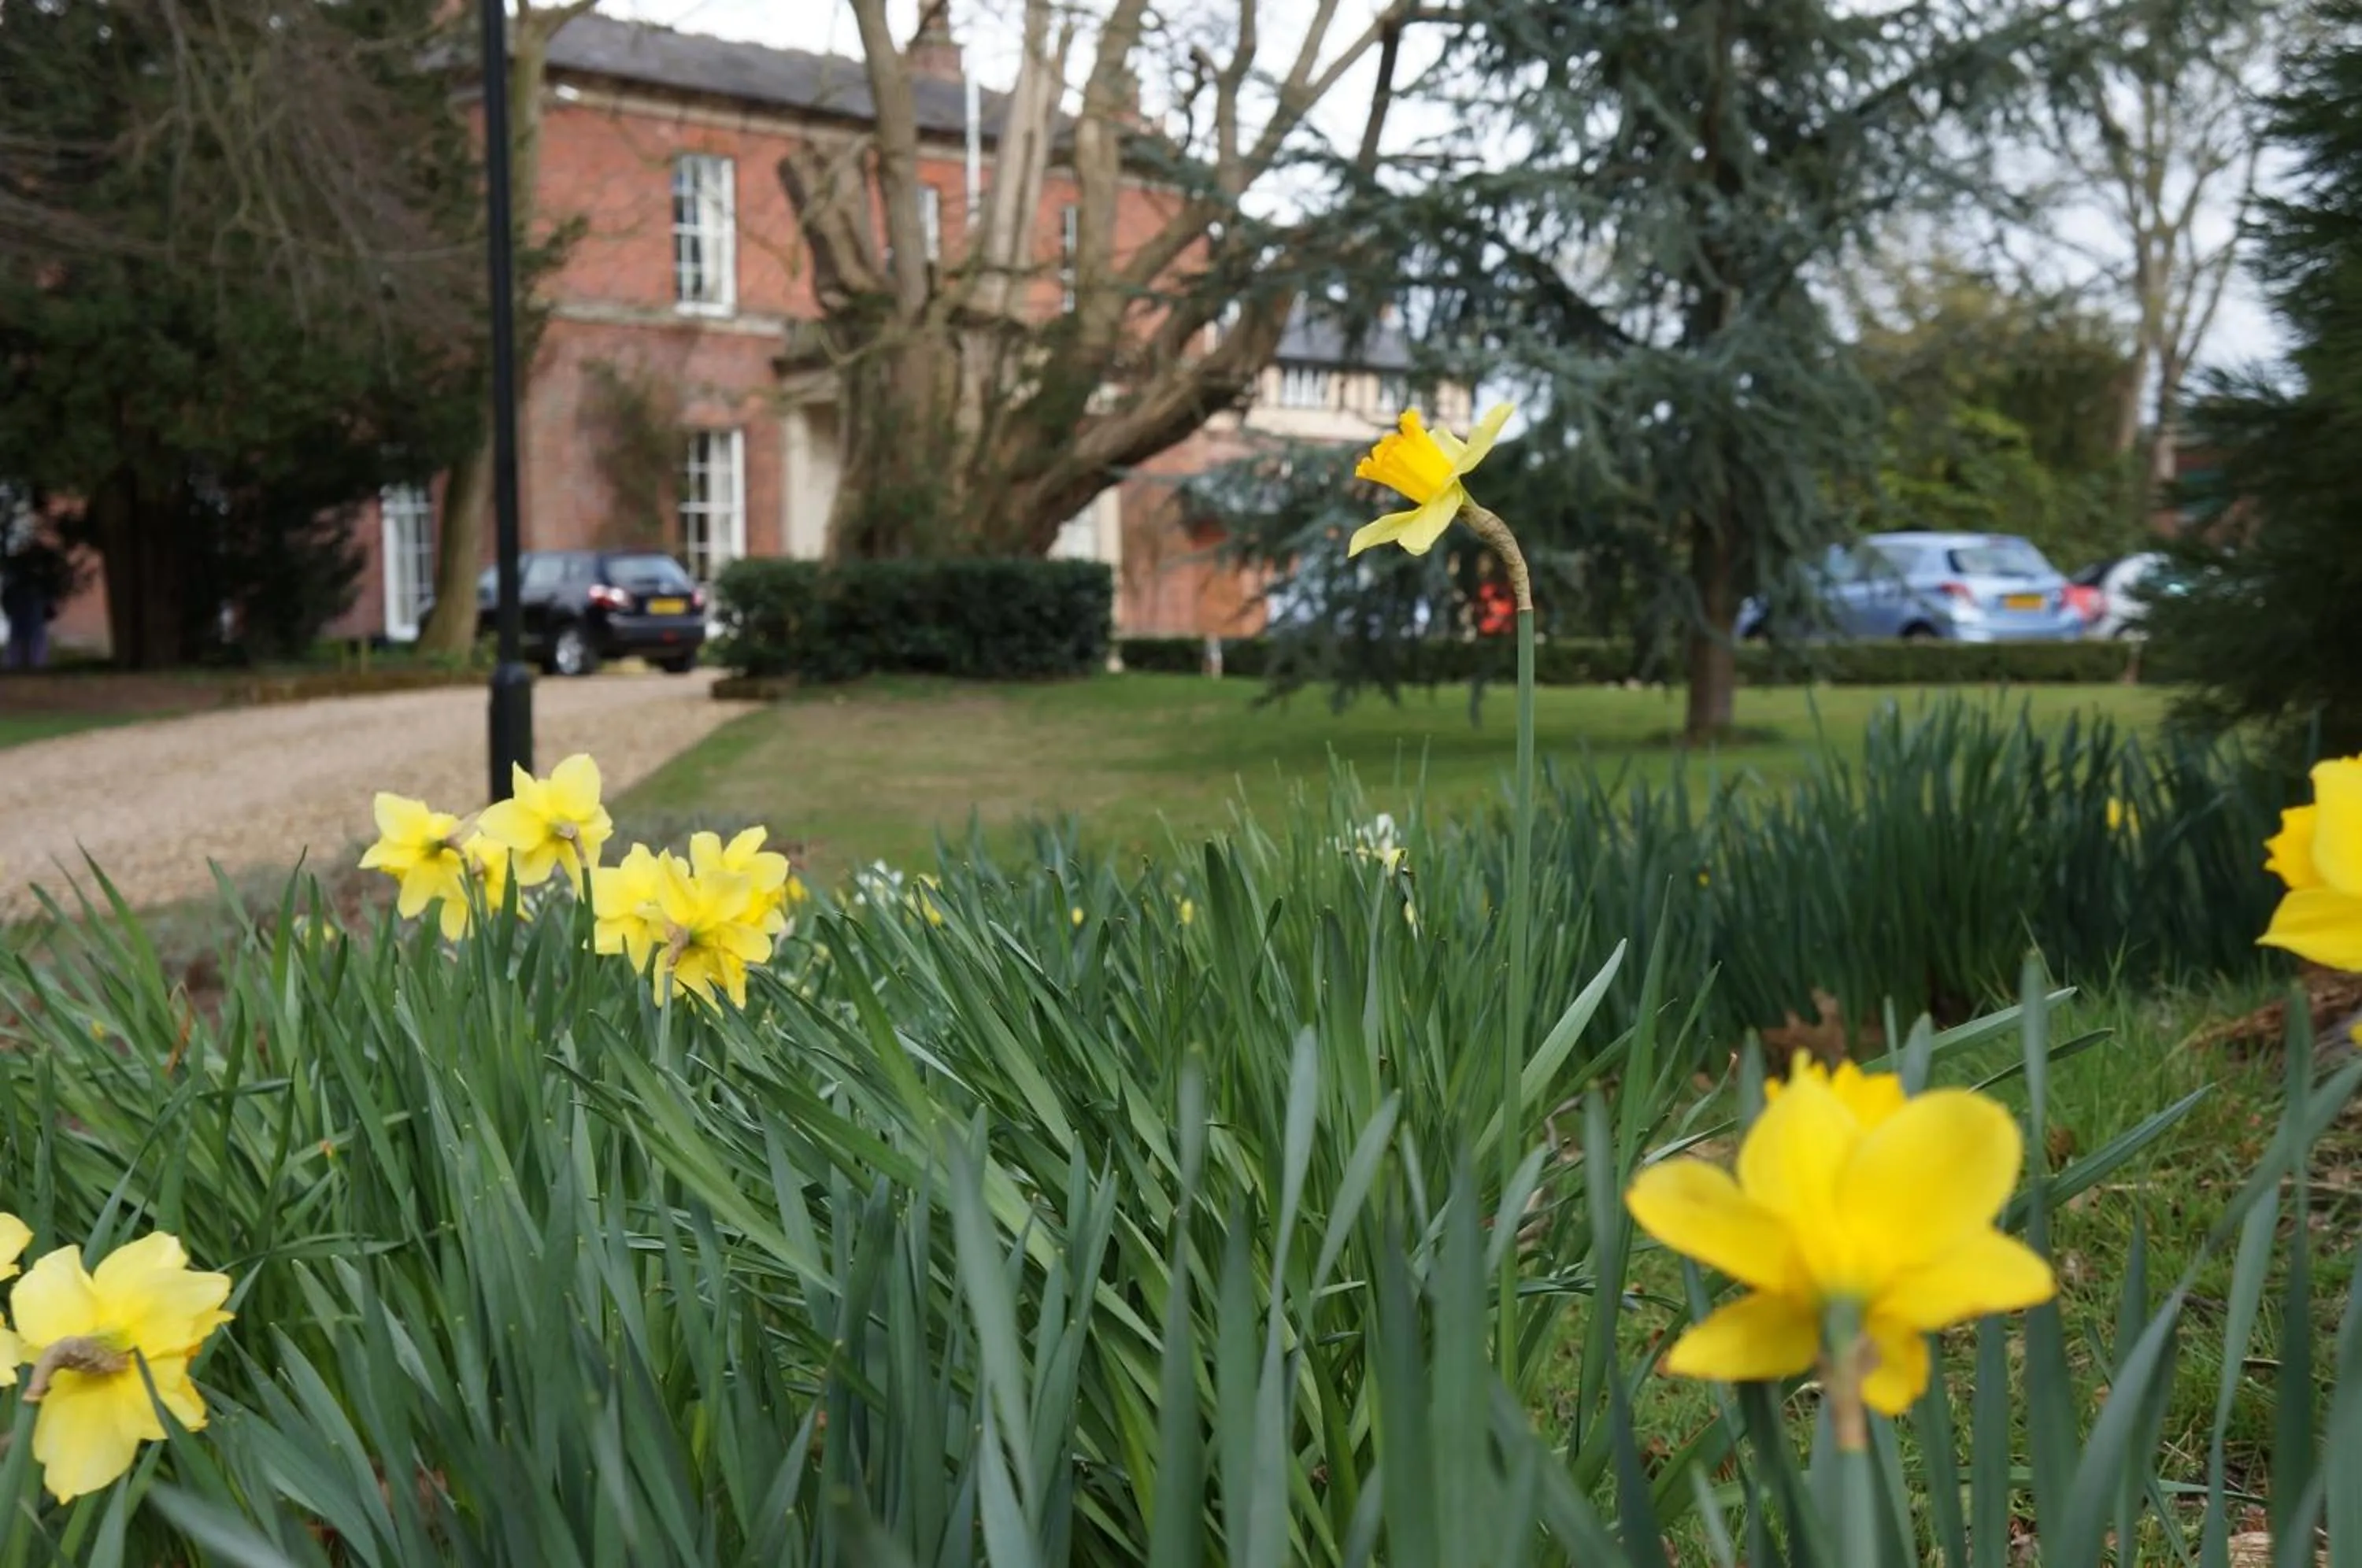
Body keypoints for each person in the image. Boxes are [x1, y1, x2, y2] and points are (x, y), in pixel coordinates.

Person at [0, 540, 66, 671]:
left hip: (26, 612)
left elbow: (7, 598)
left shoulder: (22, 579)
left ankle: (24, 665)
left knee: (25, 639)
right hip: (29, 612)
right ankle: (30, 664)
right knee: (30, 639)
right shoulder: (35, 580)